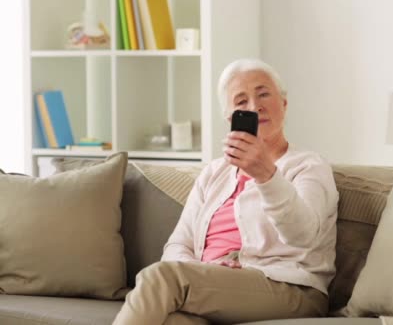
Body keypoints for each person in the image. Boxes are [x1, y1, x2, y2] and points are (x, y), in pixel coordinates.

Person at [113, 59, 339, 325]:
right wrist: (200, 272)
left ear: (284, 104)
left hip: (291, 288)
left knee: (159, 277)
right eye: (241, 101)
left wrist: (266, 175)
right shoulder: (214, 173)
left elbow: (304, 237)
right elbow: (178, 244)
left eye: (264, 93)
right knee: (172, 321)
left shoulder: (308, 166)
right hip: (215, 286)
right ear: (230, 118)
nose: (255, 106)